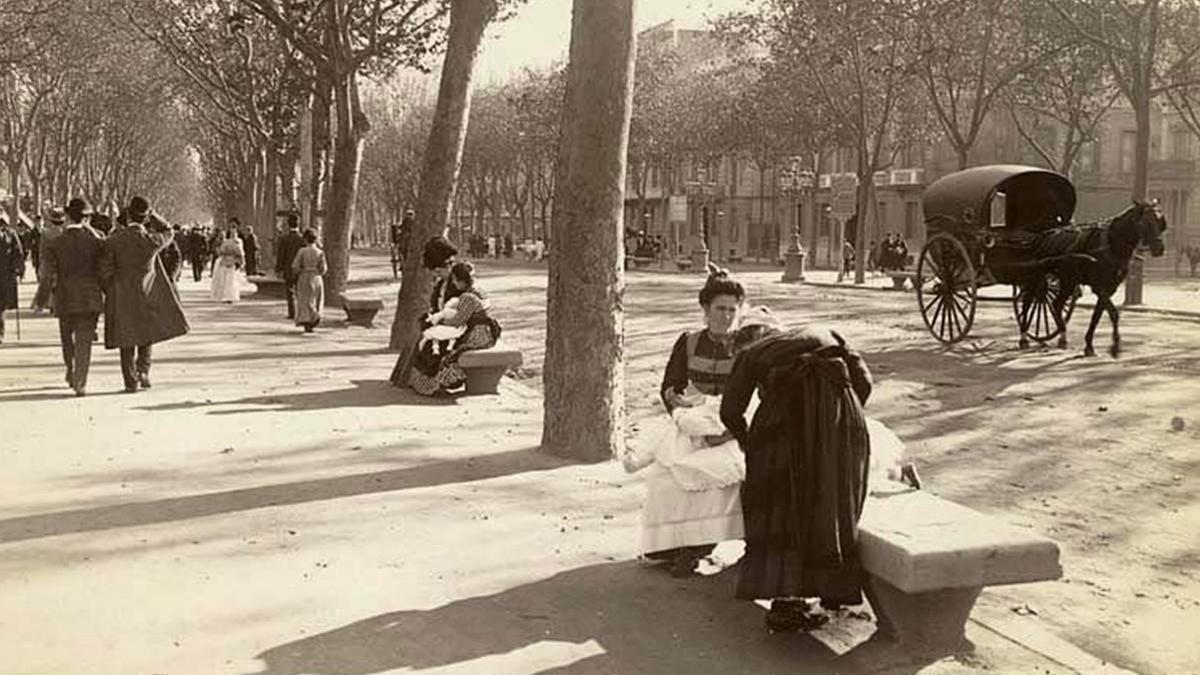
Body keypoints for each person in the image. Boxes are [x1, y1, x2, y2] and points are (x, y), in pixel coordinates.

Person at [720, 322, 873, 632]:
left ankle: (786, 602)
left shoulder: (751, 354)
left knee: (780, 507)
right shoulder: (827, 331)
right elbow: (865, 383)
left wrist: (749, 441)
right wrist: (837, 417)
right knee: (832, 501)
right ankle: (832, 591)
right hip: (839, 425)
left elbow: (730, 411)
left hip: (783, 431)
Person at [628, 264, 746, 576]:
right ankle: (673, 545)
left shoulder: (749, 344)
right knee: (668, 476)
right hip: (693, 423)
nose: (726, 316)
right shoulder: (689, 342)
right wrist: (679, 409)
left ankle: (701, 546)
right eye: (719, 309)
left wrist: (730, 431)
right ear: (705, 309)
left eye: (733, 309)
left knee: (719, 473)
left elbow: (759, 395)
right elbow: (670, 386)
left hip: (735, 430)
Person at [101, 196, 189, 392]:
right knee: (145, 333)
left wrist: (110, 287)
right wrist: (153, 214)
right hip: (146, 292)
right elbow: (168, 231)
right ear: (145, 218)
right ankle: (143, 371)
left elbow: (104, 269)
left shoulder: (113, 240)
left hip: (121, 292)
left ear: (128, 215)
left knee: (126, 337)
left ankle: (129, 380)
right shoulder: (151, 240)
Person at [407, 260, 501, 396]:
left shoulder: (467, 297)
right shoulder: (479, 291)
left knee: (439, 348)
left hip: (477, 335)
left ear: (462, 281)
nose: (455, 285)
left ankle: (431, 385)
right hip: (486, 332)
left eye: (455, 281)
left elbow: (457, 322)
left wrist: (437, 322)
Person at [43, 197, 105, 396]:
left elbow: (49, 273)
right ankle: (81, 381)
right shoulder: (96, 241)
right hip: (89, 297)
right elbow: (103, 268)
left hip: (64, 296)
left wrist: (43, 296)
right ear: (86, 218)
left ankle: (70, 369)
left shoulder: (56, 242)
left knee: (67, 339)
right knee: (84, 341)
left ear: (68, 216)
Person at [291, 228, 327, 332]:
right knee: (316, 299)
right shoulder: (320, 252)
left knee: (305, 299)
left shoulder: (302, 251)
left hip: (304, 277)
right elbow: (324, 269)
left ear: (305, 239)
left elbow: (295, 266)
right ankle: (315, 316)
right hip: (316, 277)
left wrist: (299, 271)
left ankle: (307, 319)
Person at [32, 208, 65, 314]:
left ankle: (40, 305)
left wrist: (40, 263)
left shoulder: (45, 233)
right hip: (64, 263)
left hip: (49, 262)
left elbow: (42, 250)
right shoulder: (66, 233)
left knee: (45, 284)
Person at [0, 214, 25, 343]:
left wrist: (19, 269)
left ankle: (0, 333)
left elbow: (18, 252)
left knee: (1, 306)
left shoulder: (10, 233)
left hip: (4, 275)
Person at [275, 214, 305, 320]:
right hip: (301, 269)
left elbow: (281, 255)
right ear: (299, 224)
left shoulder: (284, 239)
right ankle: (301, 312)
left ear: (288, 224)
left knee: (290, 291)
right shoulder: (302, 239)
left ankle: (292, 312)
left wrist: (279, 269)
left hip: (288, 268)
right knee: (300, 291)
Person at [211, 228, 245, 303]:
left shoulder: (225, 243)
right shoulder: (237, 243)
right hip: (232, 262)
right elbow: (240, 254)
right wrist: (241, 262)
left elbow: (221, 252)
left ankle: (225, 296)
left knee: (225, 280)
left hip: (224, 262)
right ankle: (230, 296)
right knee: (231, 281)